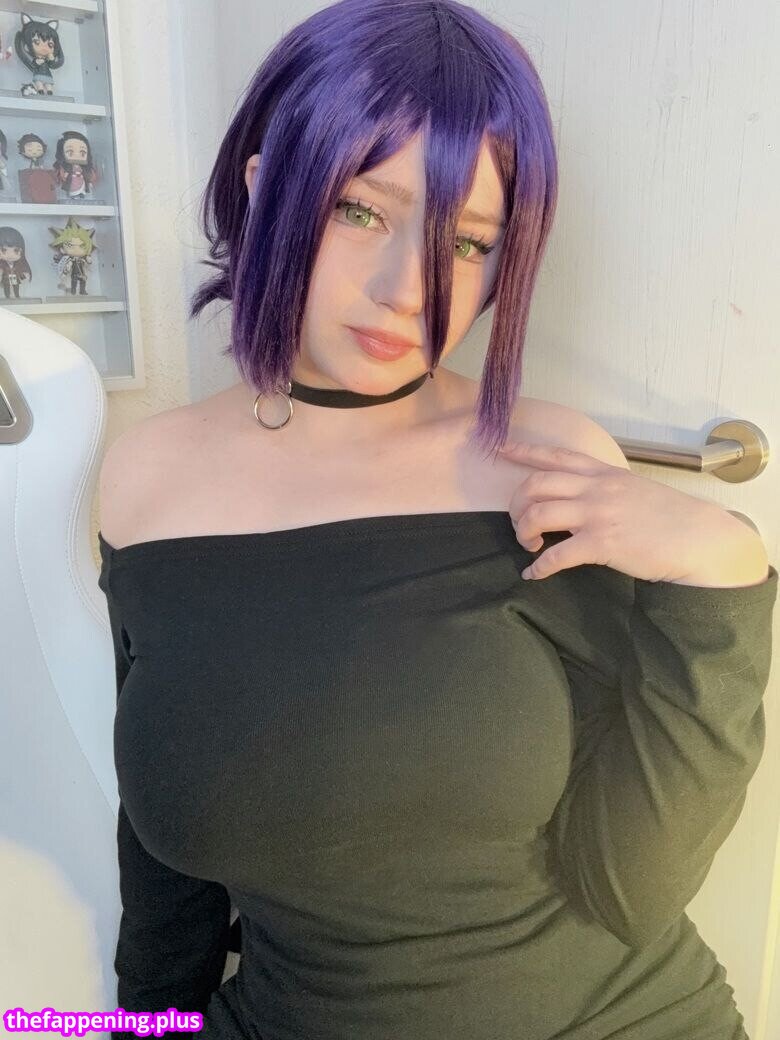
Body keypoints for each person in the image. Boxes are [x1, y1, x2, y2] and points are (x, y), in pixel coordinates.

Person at [97, 2, 777, 1038]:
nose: (405, 290)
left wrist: (724, 574)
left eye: (464, 242)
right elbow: (163, 849)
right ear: (264, 185)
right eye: (360, 211)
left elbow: (633, 883)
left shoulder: (545, 466)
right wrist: (143, 1023)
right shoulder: (145, 480)